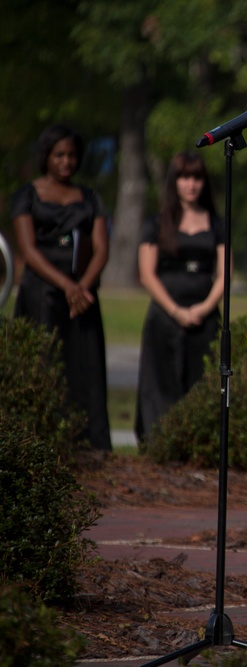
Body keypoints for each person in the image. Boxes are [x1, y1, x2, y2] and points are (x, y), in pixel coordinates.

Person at [11, 124, 112, 452]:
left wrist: (82, 287)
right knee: (44, 364)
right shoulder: (28, 195)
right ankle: (37, 441)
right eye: (59, 155)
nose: (66, 161)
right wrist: (66, 285)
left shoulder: (90, 198)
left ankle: (89, 443)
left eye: (71, 155)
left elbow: (101, 248)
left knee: (85, 367)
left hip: (81, 298)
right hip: (42, 294)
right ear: (46, 157)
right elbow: (28, 250)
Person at [134, 151, 224, 444]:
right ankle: (159, 443)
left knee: (201, 382)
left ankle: (199, 444)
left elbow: (224, 275)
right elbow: (147, 275)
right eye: (185, 177)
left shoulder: (217, 223)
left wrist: (204, 308)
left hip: (205, 317)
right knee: (160, 384)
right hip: (164, 316)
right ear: (174, 181)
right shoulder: (157, 223)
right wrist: (176, 311)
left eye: (197, 177)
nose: (191, 184)